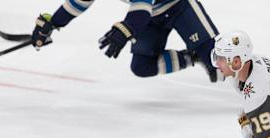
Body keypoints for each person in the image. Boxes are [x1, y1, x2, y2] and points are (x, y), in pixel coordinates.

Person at [31, 0, 222, 82]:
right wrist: (52, 23)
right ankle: (194, 56)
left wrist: (126, 28)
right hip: (150, 16)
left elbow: (142, 6)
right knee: (142, 66)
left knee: (219, 63)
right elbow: (80, 2)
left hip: (179, 7)